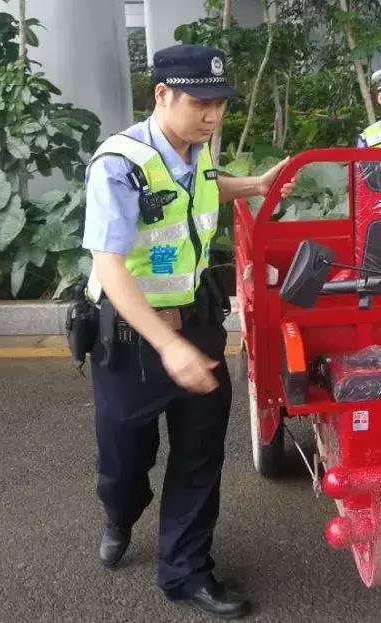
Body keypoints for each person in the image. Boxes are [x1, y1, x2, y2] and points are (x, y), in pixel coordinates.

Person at [81, 43, 294, 619]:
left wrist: (253, 185)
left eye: (220, 104)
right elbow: (110, 267)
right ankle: (120, 513)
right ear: (162, 95)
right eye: (201, 103)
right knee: (125, 461)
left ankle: (186, 572)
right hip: (132, 345)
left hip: (196, 325)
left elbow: (202, 188)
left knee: (199, 459)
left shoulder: (196, 152)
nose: (212, 116)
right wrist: (166, 344)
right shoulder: (120, 164)